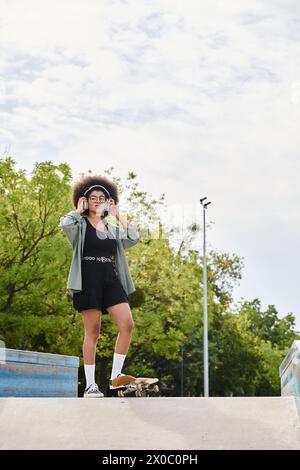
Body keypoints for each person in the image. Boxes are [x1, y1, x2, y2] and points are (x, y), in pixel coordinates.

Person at [58, 176, 141, 397]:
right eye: (92, 198)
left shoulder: (111, 228)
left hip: (110, 280)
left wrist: (118, 215)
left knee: (127, 324)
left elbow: (133, 237)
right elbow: (64, 224)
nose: (97, 201)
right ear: (84, 200)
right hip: (88, 279)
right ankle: (90, 385)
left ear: (108, 201)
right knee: (92, 332)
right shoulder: (79, 225)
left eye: (101, 198)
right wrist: (78, 210)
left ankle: (115, 379)